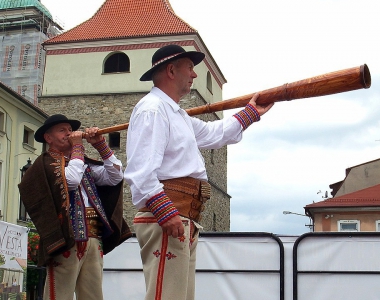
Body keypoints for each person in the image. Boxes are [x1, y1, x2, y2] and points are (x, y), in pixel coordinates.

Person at [124, 44, 274, 300]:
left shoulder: (176, 114)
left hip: (181, 217)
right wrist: (165, 211)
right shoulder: (153, 110)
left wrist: (251, 113)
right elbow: (141, 169)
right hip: (167, 216)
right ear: (171, 70)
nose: (194, 75)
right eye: (190, 68)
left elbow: (213, 133)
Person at [19, 114, 131, 300]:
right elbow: (71, 180)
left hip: (93, 237)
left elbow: (115, 176)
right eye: (62, 130)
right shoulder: (45, 163)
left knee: (93, 294)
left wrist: (100, 145)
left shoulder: (81, 162)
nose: (69, 134)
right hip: (67, 237)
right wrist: (78, 146)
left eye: (70, 130)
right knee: (60, 294)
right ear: (48, 138)